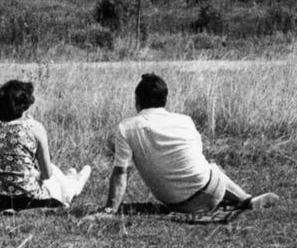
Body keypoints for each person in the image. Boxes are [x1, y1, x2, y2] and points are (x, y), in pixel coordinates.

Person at [99, 73, 278, 216]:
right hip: (212, 191)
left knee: (206, 172)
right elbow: (196, 155)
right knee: (211, 169)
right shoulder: (185, 120)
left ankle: (244, 200)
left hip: (177, 204)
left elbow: (121, 173)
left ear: (137, 100)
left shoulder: (126, 127)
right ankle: (246, 199)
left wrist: (110, 209)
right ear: (165, 99)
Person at [0, 79, 91, 207]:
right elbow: (47, 174)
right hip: (27, 197)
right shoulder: (34, 128)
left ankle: (70, 178)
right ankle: (75, 184)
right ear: (24, 107)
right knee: (53, 172)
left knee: (45, 172)